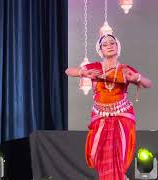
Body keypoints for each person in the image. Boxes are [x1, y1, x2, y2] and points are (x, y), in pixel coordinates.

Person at [65, 34, 151, 180]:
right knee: (101, 155)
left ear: (118, 47)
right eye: (105, 44)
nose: (109, 46)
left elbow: (147, 83)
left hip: (122, 116)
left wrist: (136, 78)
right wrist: (83, 72)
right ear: (101, 49)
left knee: (119, 155)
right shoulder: (95, 67)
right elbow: (68, 71)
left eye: (112, 43)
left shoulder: (125, 69)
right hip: (101, 116)